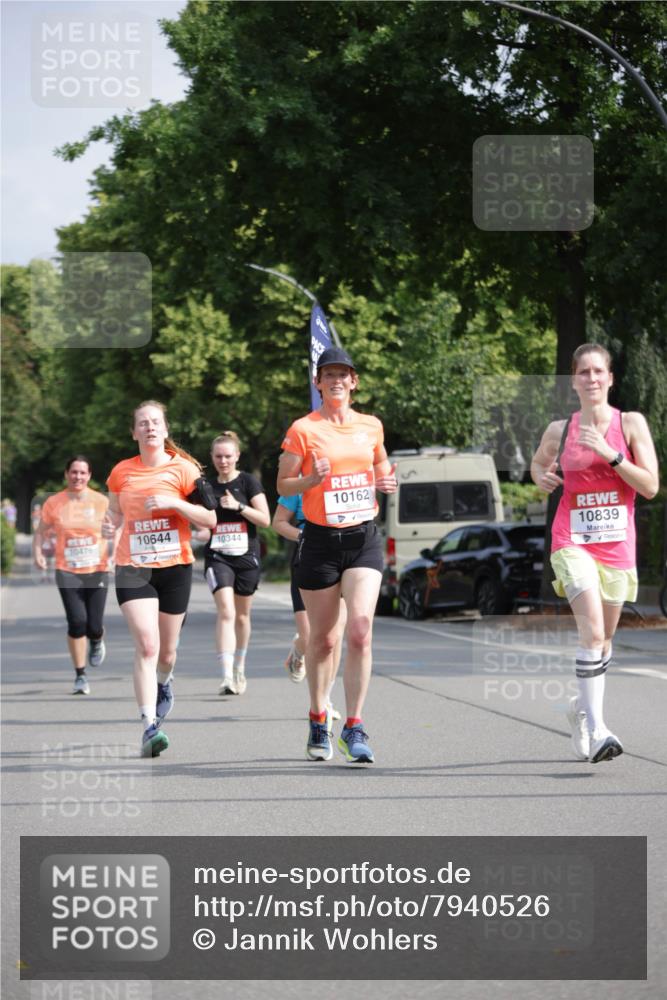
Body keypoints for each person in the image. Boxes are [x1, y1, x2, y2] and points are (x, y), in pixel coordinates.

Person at [531, 343, 659, 763]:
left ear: (610, 378)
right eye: (583, 372)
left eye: (598, 371)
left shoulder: (632, 423)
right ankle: (599, 728)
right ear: (574, 380)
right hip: (572, 541)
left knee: (604, 642)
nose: (591, 378)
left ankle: (579, 709)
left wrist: (611, 455)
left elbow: (650, 486)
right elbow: (538, 465)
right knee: (591, 633)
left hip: (617, 545)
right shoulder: (559, 430)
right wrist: (542, 478)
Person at [277, 346, 397, 764]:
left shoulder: (371, 426)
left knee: (360, 630)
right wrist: (310, 478)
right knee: (325, 640)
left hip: (363, 538)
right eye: (328, 375)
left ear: (354, 381)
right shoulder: (303, 430)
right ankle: (317, 715)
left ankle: (355, 726)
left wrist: (387, 482)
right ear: (318, 382)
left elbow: (382, 466)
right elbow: (284, 484)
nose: (336, 381)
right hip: (321, 542)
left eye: (343, 374)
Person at [104, 401, 217, 757]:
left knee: (167, 652)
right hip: (133, 567)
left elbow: (210, 519)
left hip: (175, 568)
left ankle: (164, 683)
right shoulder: (121, 472)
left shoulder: (185, 470)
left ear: (165, 430)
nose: (150, 427)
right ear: (134, 432)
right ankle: (149, 726)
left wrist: (176, 504)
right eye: (143, 423)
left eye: (156, 422)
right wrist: (109, 524)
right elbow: (113, 513)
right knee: (148, 646)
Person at [32, 457, 111, 695]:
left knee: (94, 625)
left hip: (97, 568)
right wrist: (38, 553)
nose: (78, 477)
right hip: (67, 569)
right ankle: (80, 675)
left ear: (89, 475)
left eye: (83, 473)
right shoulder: (54, 503)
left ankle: (96, 640)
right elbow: (41, 532)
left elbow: (116, 528)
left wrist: (116, 549)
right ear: (66, 474)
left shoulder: (101, 501)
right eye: (74, 472)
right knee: (77, 622)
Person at [201, 431, 270, 695]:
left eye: (228, 456)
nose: (223, 460)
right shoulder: (206, 486)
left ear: (237, 456)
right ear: (212, 457)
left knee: (242, 615)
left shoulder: (248, 482)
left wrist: (238, 506)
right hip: (218, 556)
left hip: (246, 556)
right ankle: (226, 675)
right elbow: (201, 518)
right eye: (218, 456)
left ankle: (240, 666)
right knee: (226, 612)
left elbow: (265, 519)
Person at [272, 493, 345, 719]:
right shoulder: (298, 483)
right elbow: (278, 523)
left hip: (343, 553)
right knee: (310, 636)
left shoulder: (345, 473)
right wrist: (305, 535)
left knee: (334, 637)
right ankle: (298, 650)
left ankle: (325, 699)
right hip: (309, 556)